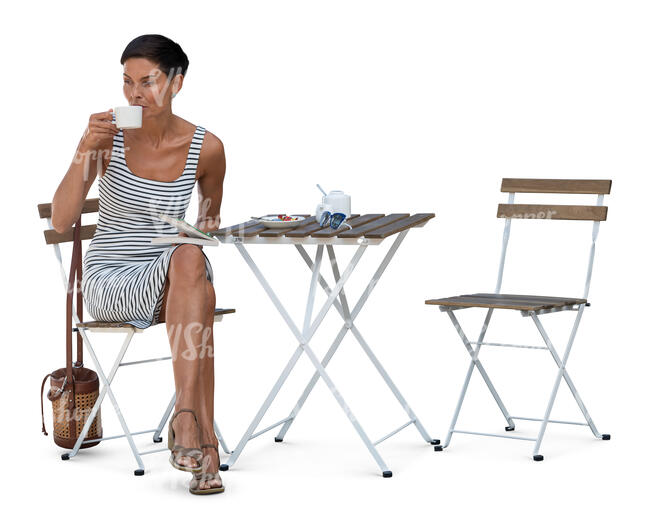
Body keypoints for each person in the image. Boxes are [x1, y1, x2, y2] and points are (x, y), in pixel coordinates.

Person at [51, 34, 226, 495]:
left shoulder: (207, 149)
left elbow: (209, 227)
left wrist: (189, 235)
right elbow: (62, 218)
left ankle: (190, 427)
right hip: (111, 279)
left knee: (194, 267)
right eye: (128, 83)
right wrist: (84, 145)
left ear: (177, 82)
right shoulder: (109, 136)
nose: (134, 95)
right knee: (198, 287)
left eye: (147, 82)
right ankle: (198, 440)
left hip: (172, 276)